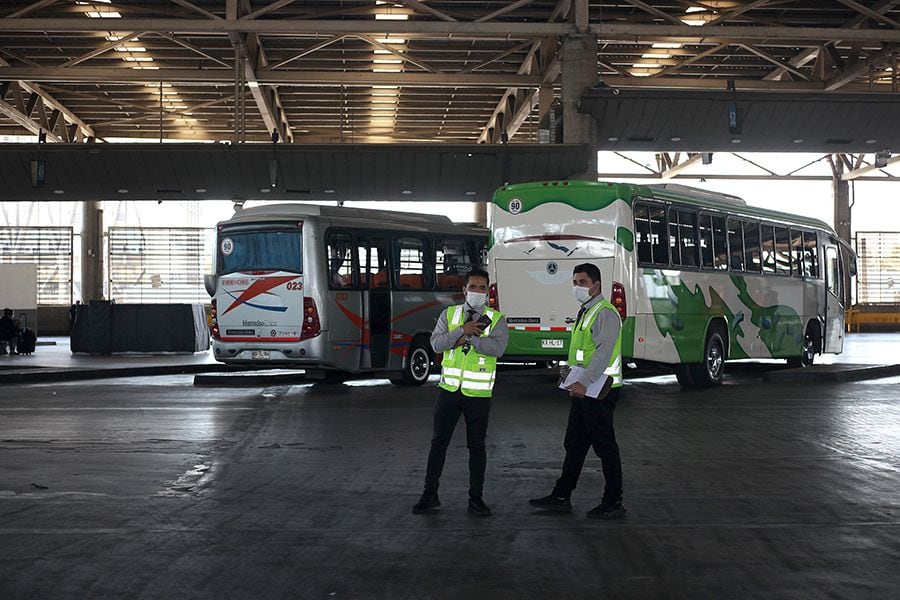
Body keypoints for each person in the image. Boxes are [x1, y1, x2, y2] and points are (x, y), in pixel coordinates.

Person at [529, 263, 626, 519]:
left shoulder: (605, 313)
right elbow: (584, 353)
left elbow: (603, 352)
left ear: (597, 285)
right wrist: (571, 375)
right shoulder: (586, 311)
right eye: (575, 282)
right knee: (575, 443)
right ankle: (562, 495)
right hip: (584, 388)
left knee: (604, 446)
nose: (577, 287)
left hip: (600, 390)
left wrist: (584, 381)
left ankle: (614, 500)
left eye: (582, 282)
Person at [413, 268, 508, 517]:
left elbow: (497, 349)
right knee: (438, 443)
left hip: (478, 395)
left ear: (488, 292)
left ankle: (475, 499)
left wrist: (470, 339)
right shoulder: (450, 314)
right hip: (449, 391)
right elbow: (436, 344)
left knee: (477, 447)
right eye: (473, 287)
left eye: (482, 288)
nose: (477, 292)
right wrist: (461, 331)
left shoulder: (496, 319)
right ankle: (429, 495)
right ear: (464, 290)